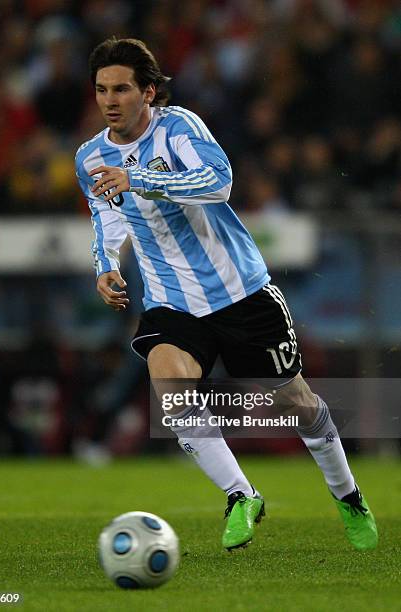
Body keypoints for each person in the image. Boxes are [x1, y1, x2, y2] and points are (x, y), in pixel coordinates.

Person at [75, 37, 377, 551]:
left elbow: (219, 181)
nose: (110, 100)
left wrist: (141, 178)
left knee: (298, 405)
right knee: (169, 386)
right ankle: (242, 495)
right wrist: (104, 266)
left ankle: (348, 496)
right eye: (102, 89)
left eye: (122, 88)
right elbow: (106, 215)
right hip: (172, 300)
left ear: (148, 92)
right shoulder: (91, 156)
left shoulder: (179, 128)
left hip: (240, 292)